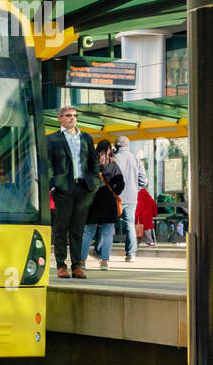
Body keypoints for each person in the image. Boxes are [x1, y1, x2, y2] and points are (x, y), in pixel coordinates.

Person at [46, 105, 100, 279]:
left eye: (75, 116)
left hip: (84, 187)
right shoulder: (52, 139)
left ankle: (77, 265)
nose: (72, 118)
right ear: (60, 118)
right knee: (61, 227)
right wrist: (53, 183)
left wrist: (95, 181)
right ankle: (61, 265)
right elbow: (47, 164)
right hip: (63, 187)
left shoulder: (85, 137)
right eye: (68, 115)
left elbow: (93, 160)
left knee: (78, 229)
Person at [82, 140, 123, 270]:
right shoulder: (114, 166)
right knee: (108, 233)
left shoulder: (91, 165)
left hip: (93, 202)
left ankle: (82, 261)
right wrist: (113, 193)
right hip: (109, 203)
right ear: (110, 150)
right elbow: (121, 184)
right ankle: (104, 261)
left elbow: (84, 182)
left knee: (88, 232)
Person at [111, 136, 148, 262]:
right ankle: (131, 254)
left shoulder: (113, 158)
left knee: (109, 224)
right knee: (130, 225)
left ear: (117, 146)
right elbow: (144, 181)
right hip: (132, 198)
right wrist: (135, 189)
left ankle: (102, 252)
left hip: (116, 197)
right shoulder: (135, 158)